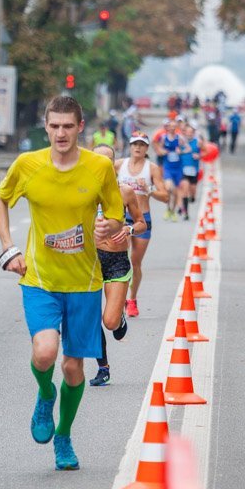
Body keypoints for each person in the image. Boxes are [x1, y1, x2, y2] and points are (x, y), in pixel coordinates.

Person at [0, 95, 124, 471]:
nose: (61, 133)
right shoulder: (27, 165)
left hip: (84, 282)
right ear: (46, 126)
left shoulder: (99, 167)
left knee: (72, 368)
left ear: (80, 127)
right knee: (45, 353)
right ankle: (45, 394)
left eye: (68, 126)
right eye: (54, 126)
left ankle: (63, 436)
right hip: (40, 278)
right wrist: (8, 249)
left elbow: (115, 214)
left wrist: (109, 226)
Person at [87, 144, 145, 387]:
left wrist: (129, 229)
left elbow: (142, 223)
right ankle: (103, 368)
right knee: (90, 319)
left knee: (109, 323)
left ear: (113, 166)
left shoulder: (125, 192)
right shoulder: (83, 192)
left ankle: (118, 316)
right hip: (89, 262)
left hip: (116, 262)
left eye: (106, 162)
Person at [116, 132, 167, 319]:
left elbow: (166, 196)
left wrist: (149, 190)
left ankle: (132, 299)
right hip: (122, 218)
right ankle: (119, 298)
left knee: (135, 262)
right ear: (129, 146)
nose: (138, 148)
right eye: (134, 144)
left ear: (146, 148)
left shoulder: (151, 169)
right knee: (121, 258)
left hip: (143, 220)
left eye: (142, 145)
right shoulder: (119, 165)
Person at [158, 120, 185, 220]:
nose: (172, 128)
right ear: (168, 127)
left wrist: (180, 151)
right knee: (169, 188)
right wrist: (164, 151)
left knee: (176, 192)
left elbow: (188, 149)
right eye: (171, 126)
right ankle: (168, 209)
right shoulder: (164, 138)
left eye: (174, 126)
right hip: (168, 168)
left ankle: (173, 211)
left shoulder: (180, 138)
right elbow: (159, 150)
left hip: (178, 169)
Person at [179, 124, 201, 221]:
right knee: (185, 190)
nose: (189, 134)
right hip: (183, 170)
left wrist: (199, 156)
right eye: (187, 132)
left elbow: (205, 152)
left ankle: (192, 197)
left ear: (193, 133)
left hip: (194, 170)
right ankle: (186, 213)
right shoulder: (180, 142)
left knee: (192, 191)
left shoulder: (198, 143)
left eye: (191, 132)